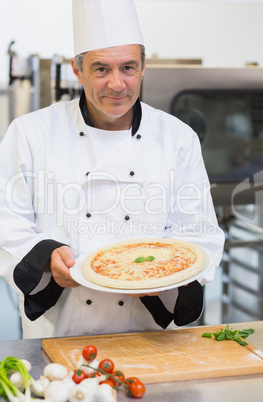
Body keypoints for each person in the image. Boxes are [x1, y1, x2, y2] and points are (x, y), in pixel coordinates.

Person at [0, 0, 224, 339]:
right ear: (77, 71)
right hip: (62, 331)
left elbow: (199, 233)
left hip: (149, 336)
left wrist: (164, 277)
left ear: (144, 67)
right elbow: (7, 222)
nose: (117, 84)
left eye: (128, 68)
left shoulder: (178, 138)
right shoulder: (30, 133)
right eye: (101, 69)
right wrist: (45, 259)